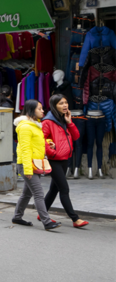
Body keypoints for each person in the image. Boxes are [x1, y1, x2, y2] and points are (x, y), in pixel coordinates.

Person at [12, 100, 62, 231]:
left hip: (33, 164)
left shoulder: (35, 125)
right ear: (31, 110)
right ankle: (47, 222)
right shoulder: (25, 127)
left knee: (26, 194)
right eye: (40, 109)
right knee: (39, 194)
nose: (43, 111)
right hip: (27, 165)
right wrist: (28, 170)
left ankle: (17, 217)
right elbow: (25, 149)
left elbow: (37, 142)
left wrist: (48, 142)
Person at [42, 94, 89, 228]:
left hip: (64, 159)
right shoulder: (48, 122)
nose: (65, 105)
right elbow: (42, 140)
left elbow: (76, 136)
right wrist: (52, 152)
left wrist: (70, 122)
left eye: (66, 103)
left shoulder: (64, 120)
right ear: (54, 106)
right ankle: (75, 219)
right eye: (61, 103)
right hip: (55, 160)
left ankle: (42, 212)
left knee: (54, 189)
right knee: (64, 189)